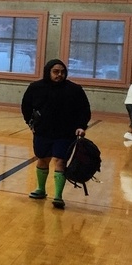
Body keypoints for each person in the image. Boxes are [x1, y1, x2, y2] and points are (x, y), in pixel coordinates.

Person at [20, 58, 91, 210]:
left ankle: (58, 195)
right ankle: (41, 189)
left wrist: (81, 126)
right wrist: (30, 123)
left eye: (62, 72)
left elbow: (84, 110)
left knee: (60, 161)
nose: (59, 75)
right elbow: (26, 106)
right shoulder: (35, 87)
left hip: (65, 133)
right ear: (48, 72)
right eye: (56, 72)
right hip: (43, 132)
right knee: (43, 159)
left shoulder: (75, 90)